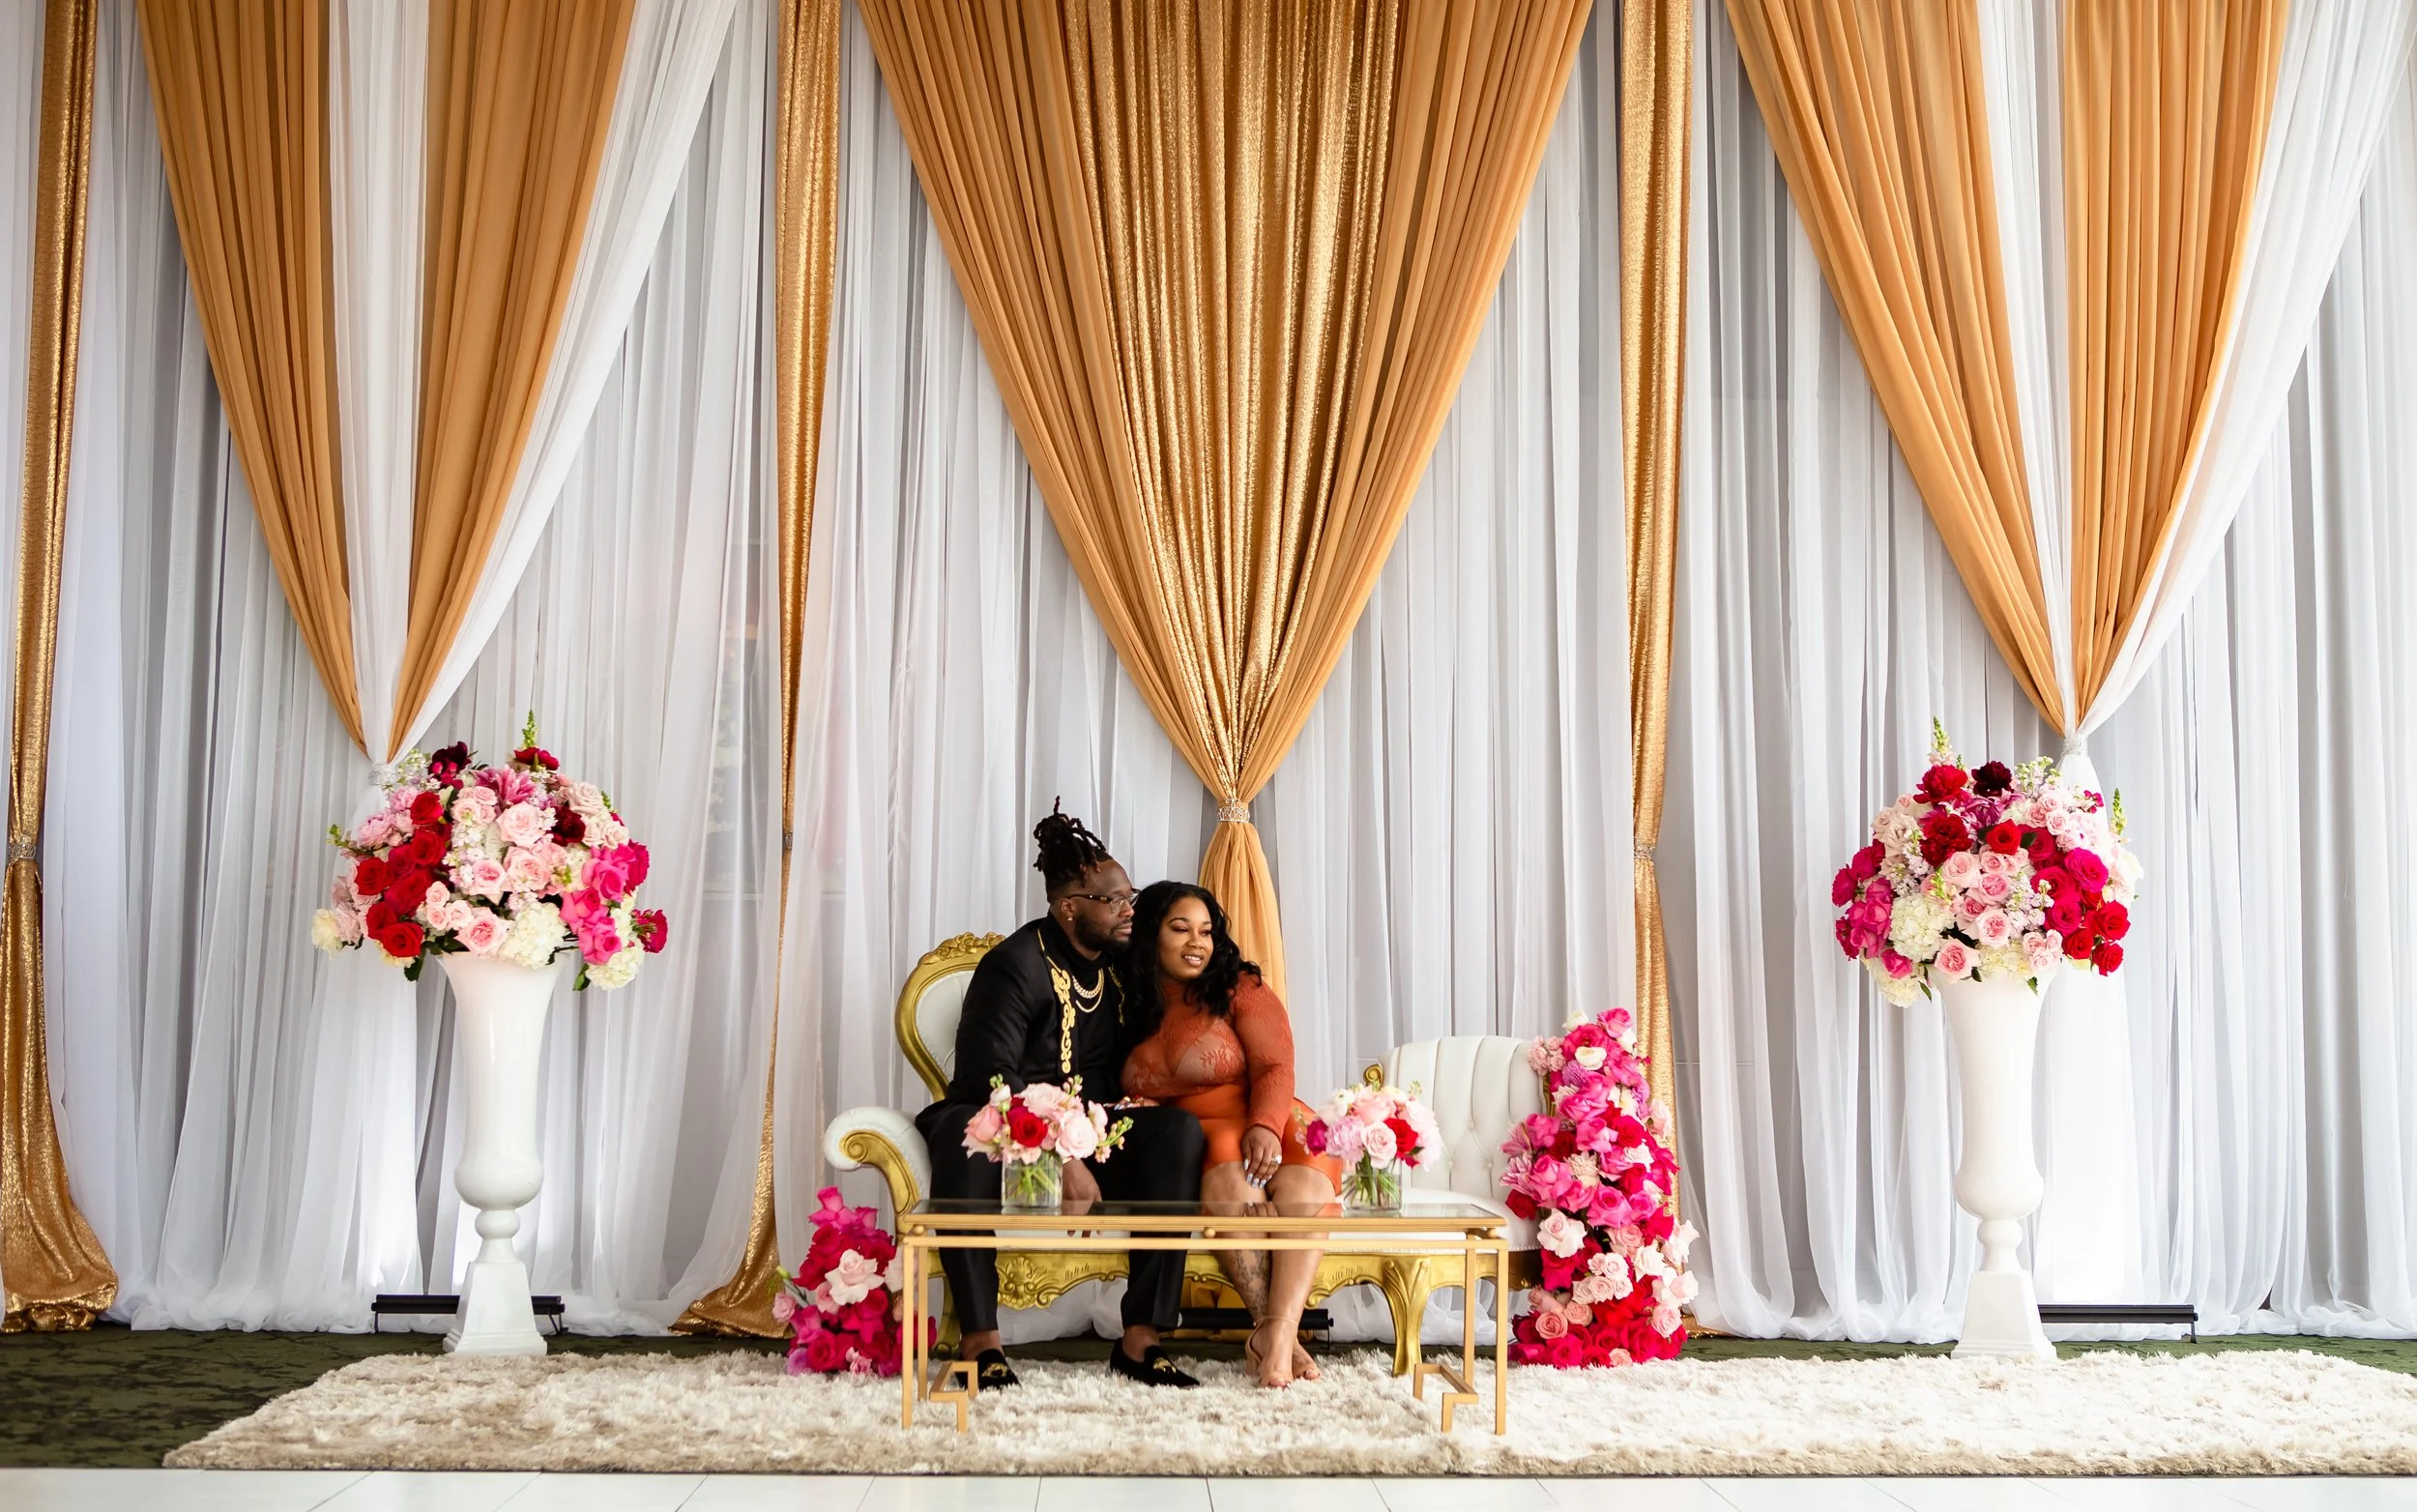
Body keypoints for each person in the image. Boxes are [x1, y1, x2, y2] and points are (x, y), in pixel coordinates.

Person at [914, 805, 1207, 1391]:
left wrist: (1140, 1100)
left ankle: (1141, 1338)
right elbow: (991, 1079)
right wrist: (1063, 1157)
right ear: (1069, 907)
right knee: (961, 1138)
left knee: (1176, 1133)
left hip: (1093, 1127)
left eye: (1130, 896)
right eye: (1113, 900)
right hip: (1004, 1126)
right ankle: (981, 1343)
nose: (1129, 910)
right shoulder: (1013, 967)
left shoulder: (1119, 965)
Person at [1119, 881, 1341, 1388]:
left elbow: (1276, 1065)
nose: (1197, 942)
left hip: (1271, 1117)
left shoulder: (1239, 986)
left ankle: (1275, 1339)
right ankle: (1276, 1338)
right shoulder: (1125, 999)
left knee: (1304, 1189)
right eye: (1181, 929)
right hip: (1197, 1135)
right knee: (1233, 1188)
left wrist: (1265, 1126)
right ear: (1151, 934)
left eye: (1206, 931)